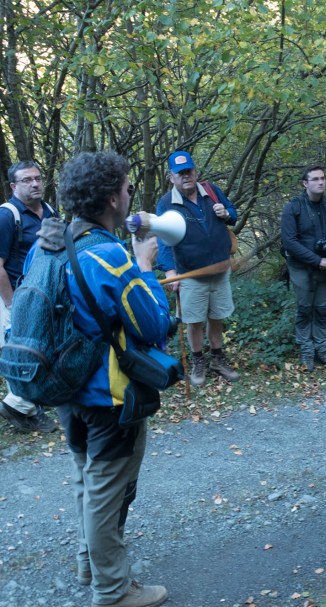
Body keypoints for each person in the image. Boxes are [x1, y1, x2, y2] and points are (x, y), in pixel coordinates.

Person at [45, 151, 171, 607]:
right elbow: (154, 325)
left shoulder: (54, 242)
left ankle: (89, 563)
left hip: (66, 389)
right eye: (127, 186)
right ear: (113, 198)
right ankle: (114, 591)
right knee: (107, 491)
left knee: (88, 479)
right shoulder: (110, 255)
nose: (131, 193)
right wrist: (145, 267)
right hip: (108, 396)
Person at [156, 151, 240, 386]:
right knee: (194, 321)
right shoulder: (166, 204)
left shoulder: (211, 191)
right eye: (180, 173)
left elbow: (233, 213)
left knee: (217, 317)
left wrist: (227, 213)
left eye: (189, 171)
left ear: (195, 171)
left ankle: (217, 359)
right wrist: (170, 272)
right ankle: (198, 361)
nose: (186, 176)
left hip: (220, 269)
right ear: (171, 177)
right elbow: (163, 241)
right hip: (191, 274)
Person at [0, 161, 59, 433]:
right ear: (14, 186)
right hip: (13, 295)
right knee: (21, 352)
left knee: (40, 348)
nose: (35, 183)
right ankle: (22, 409)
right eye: (27, 180)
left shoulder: (49, 211)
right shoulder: (7, 216)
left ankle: (25, 404)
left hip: (41, 296)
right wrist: (11, 304)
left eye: (37, 178)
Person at [281, 165, 326, 372]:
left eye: (323, 178)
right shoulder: (293, 207)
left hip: (325, 266)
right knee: (304, 308)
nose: (321, 182)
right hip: (302, 266)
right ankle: (306, 351)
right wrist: (317, 260)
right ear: (305, 183)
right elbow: (289, 242)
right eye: (315, 179)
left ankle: (322, 350)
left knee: (321, 308)